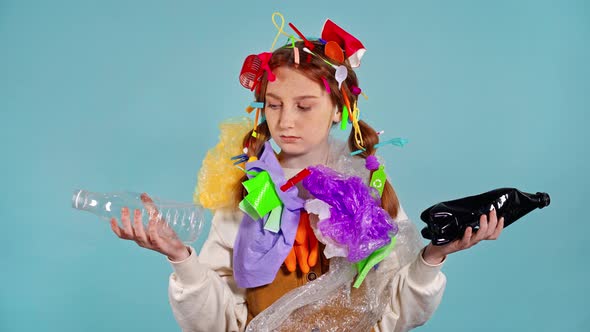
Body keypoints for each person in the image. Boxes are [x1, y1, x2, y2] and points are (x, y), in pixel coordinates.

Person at [109, 15, 504, 332]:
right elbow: (220, 323)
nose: (285, 121)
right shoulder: (246, 197)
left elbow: (395, 313)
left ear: (338, 109)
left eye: (304, 105)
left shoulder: (370, 191)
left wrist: (433, 256)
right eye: (274, 104)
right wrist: (181, 258)